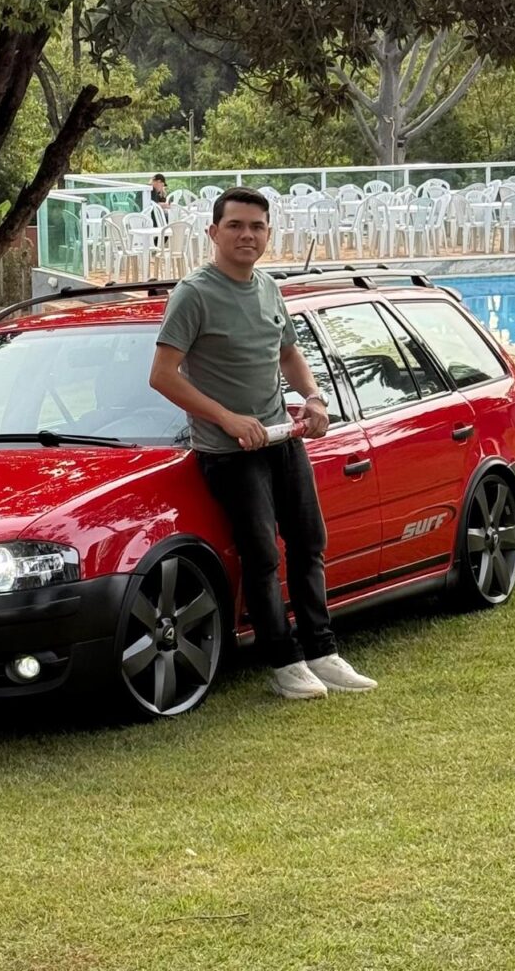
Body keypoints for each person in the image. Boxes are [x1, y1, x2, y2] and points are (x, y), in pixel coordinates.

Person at [149, 187, 377, 700]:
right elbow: (162, 375)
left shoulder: (269, 287)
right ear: (214, 232)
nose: (246, 235)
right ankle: (284, 663)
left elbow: (288, 354)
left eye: (256, 226)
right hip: (230, 452)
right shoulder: (194, 294)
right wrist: (227, 418)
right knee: (262, 557)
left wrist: (313, 398)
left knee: (309, 543)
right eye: (235, 225)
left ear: (268, 233)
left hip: (281, 437)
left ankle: (322, 652)